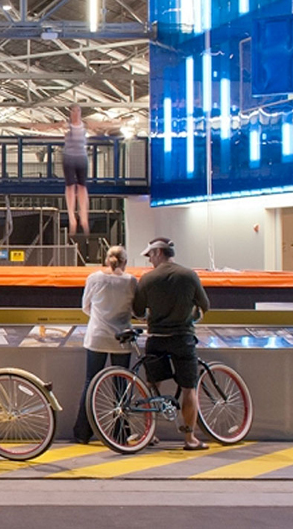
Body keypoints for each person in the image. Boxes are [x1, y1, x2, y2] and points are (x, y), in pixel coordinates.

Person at [133, 237, 211, 451]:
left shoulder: (147, 279)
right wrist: (191, 315)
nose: (150, 261)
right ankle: (190, 439)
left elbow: (138, 311)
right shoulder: (189, 275)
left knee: (152, 387)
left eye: (150, 256)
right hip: (183, 338)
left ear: (158, 253)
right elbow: (205, 305)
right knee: (189, 388)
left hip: (156, 339)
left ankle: (150, 434)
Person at [72, 245, 138, 444]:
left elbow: (85, 306)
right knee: (121, 385)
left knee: (91, 382)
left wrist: (101, 318)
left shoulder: (94, 278)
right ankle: (119, 433)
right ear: (125, 262)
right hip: (121, 338)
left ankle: (82, 432)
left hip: (97, 336)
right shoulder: (131, 281)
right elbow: (135, 309)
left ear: (106, 260)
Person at [63, 105, 90, 236]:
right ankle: (72, 217)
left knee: (82, 187)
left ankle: (83, 215)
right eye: (73, 111)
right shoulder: (66, 126)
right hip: (69, 158)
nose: (76, 113)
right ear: (70, 113)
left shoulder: (85, 125)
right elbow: (50, 126)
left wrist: (118, 122)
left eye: (78, 110)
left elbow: (100, 124)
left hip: (81, 158)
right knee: (70, 186)